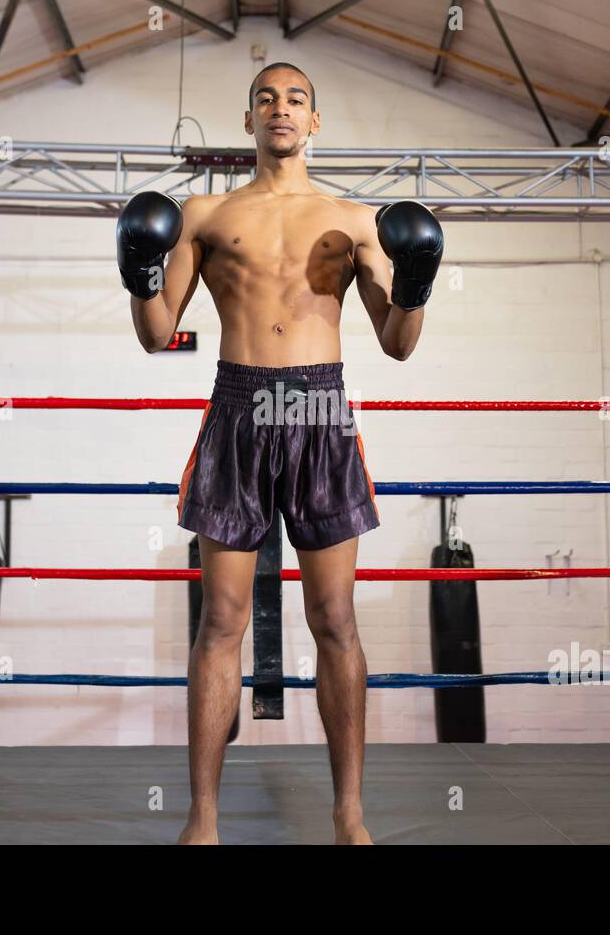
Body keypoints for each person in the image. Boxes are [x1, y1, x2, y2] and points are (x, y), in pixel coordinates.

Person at [116, 62, 443, 844]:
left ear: (315, 121)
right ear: (250, 118)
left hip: (319, 410)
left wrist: (418, 286)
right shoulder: (206, 214)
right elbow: (157, 331)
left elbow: (396, 345)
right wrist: (138, 270)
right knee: (221, 617)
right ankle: (202, 819)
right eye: (267, 98)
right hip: (237, 408)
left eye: (296, 98)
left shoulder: (354, 222)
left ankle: (349, 813)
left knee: (334, 615)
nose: (281, 109)